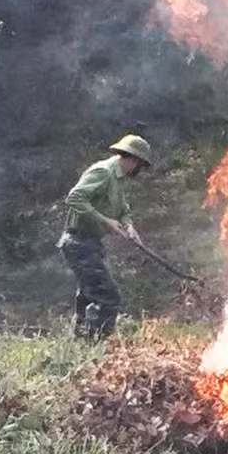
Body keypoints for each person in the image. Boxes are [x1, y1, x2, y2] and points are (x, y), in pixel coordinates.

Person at [57, 134, 152, 340]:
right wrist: (105, 221)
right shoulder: (104, 172)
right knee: (109, 297)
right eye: (140, 165)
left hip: (90, 243)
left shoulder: (118, 179)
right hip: (78, 242)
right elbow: (74, 198)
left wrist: (128, 226)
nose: (139, 171)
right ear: (134, 160)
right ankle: (97, 343)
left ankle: (81, 343)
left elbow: (123, 209)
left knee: (86, 296)